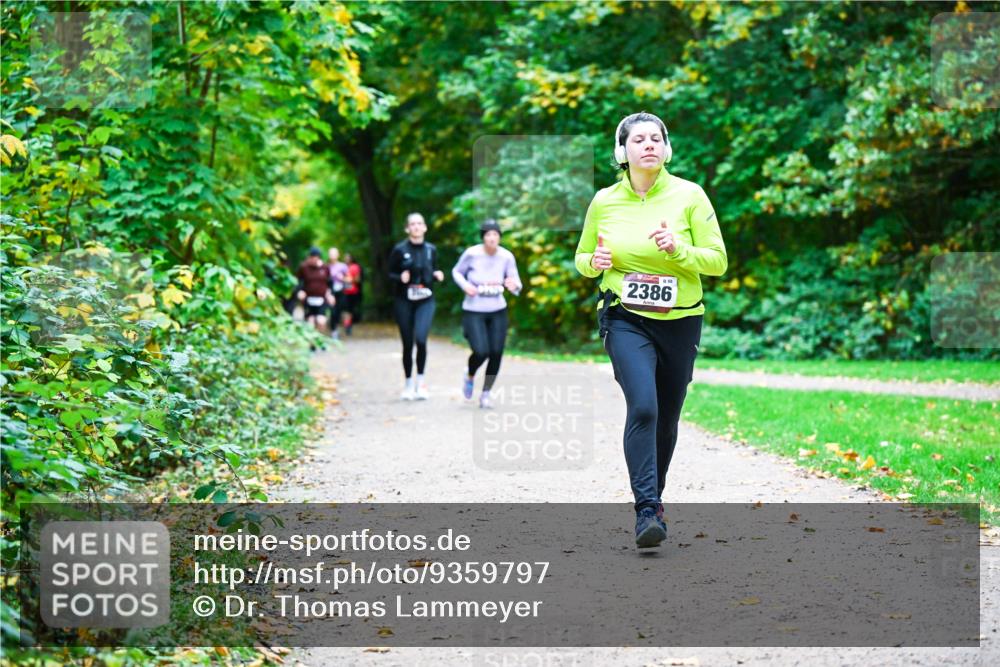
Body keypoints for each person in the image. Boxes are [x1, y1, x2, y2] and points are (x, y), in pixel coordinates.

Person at [574, 112, 727, 548]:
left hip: (681, 319)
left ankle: (654, 499)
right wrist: (594, 264)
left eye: (656, 138)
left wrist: (679, 249)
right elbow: (583, 258)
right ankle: (646, 510)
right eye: (638, 139)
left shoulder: (690, 196)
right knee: (644, 406)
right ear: (622, 151)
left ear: (667, 148)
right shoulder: (605, 201)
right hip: (625, 316)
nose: (649, 145)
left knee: (667, 416)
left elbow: (718, 261)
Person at [452, 219, 523, 409]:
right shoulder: (472, 253)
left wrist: (513, 285)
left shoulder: (506, 256)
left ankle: (485, 393)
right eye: (488, 235)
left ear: (500, 237)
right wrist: (466, 285)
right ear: (483, 237)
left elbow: (516, 282)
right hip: (474, 310)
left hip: (498, 310)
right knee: (481, 351)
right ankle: (470, 374)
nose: (492, 238)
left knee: (496, 353)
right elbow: (457, 272)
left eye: (495, 234)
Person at [387, 213, 444, 400]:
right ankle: (408, 384)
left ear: (425, 227)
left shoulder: (431, 250)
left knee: (421, 339)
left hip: (426, 300)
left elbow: (434, 268)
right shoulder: (399, 249)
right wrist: (399, 277)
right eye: (412, 224)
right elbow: (389, 273)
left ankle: (421, 382)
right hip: (404, 300)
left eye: (420, 223)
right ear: (407, 229)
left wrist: (437, 274)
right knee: (407, 343)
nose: (417, 227)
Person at [296, 247, 335, 339]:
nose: (314, 259)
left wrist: (330, 295)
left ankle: (320, 339)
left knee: (321, 320)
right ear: (309, 257)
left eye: (316, 257)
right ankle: (312, 342)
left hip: (322, 298)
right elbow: (299, 281)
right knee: (310, 321)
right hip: (309, 298)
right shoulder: (304, 267)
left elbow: (330, 283)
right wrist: (300, 291)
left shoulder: (325, 268)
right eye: (312, 257)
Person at [327, 247, 349, 340]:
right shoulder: (326, 267)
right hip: (331, 291)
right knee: (333, 311)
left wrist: (342, 278)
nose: (332, 256)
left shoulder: (343, 266)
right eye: (331, 254)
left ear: (338, 255)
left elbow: (349, 279)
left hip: (341, 291)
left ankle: (340, 326)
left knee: (339, 311)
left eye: (334, 253)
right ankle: (333, 331)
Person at [341, 252, 363, 335]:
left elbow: (358, 279)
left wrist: (350, 280)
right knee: (344, 309)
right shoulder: (342, 267)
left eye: (348, 257)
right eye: (345, 257)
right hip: (343, 292)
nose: (346, 259)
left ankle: (349, 326)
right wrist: (343, 279)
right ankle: (346, 325)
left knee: (350, 310)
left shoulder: (355, 267)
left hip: (353, 292)